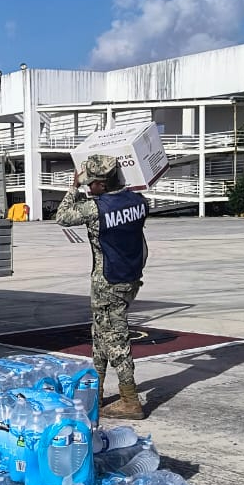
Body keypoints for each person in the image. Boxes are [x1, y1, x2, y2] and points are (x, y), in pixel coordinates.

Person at [55, 154, 148, 420]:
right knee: (100, 332)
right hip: (129, 276)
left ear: (102, 185)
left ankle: (130, 399)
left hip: (108, 279)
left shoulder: (97, 208)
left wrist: (73, 188)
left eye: (90, 183)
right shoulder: (139, 202)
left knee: (115, 337)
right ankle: (94, 391)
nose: (87, 186)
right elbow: (111, 206)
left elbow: (62, 217)